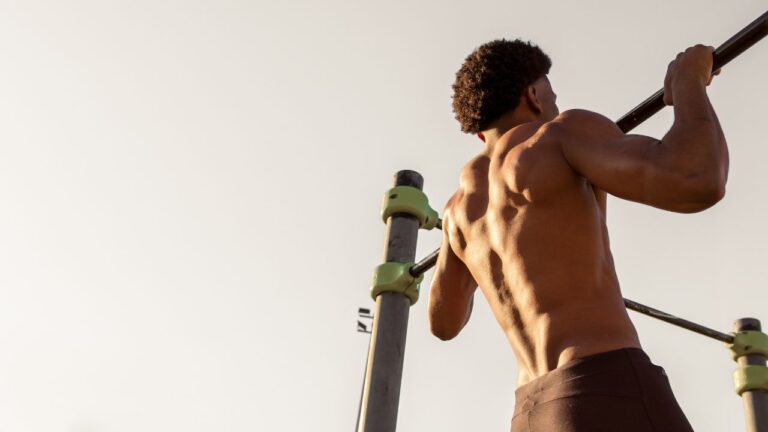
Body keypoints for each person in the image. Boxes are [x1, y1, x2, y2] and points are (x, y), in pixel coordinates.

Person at [428, 39, 727, 431]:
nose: (556, 101)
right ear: (533, 95)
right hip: (603, 386)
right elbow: (697, 178)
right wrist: (689, 81)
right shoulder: (557, 136)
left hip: (531, 413)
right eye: (551, 90)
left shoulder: (457, 213)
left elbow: (444, 322)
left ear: (480, 134)